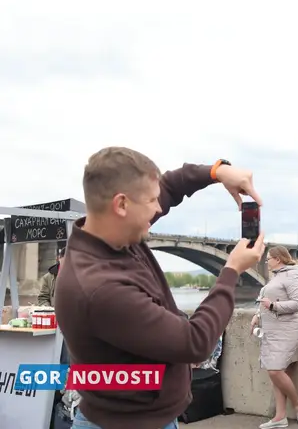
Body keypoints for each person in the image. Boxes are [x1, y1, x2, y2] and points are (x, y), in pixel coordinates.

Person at [54, 147, 266, 429]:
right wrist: (231, 271)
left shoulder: (113, 233)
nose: (158, 207)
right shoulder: (101, 288)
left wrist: (217, 172)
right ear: (121, 205)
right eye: (152, 201)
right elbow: (195, 342)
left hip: (148, 418)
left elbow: (169, 185)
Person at [251, 245, 298, 428]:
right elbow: (266, 302)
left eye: (268, 258)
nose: (266, 262)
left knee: (275, 370)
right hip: (271, 330)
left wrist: (273, 306)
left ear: (278, 259)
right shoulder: (275, 276)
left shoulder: (293, 274)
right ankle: (280, 417)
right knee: (277, 372)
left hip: (286, 329)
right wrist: (258, 315)